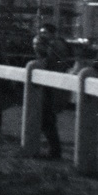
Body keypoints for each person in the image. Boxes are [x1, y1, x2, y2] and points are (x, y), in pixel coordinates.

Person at [31, 23, 71, 159]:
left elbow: (47, 63)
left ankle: (54, 150)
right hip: (55, 85)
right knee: (47, 118)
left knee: (46, 118)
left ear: (51, 33)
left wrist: (38, 49)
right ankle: (53, 149)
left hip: (50, 86)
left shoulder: (53, 46)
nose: (42, 35)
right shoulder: (59, 44)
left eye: (44, 32)